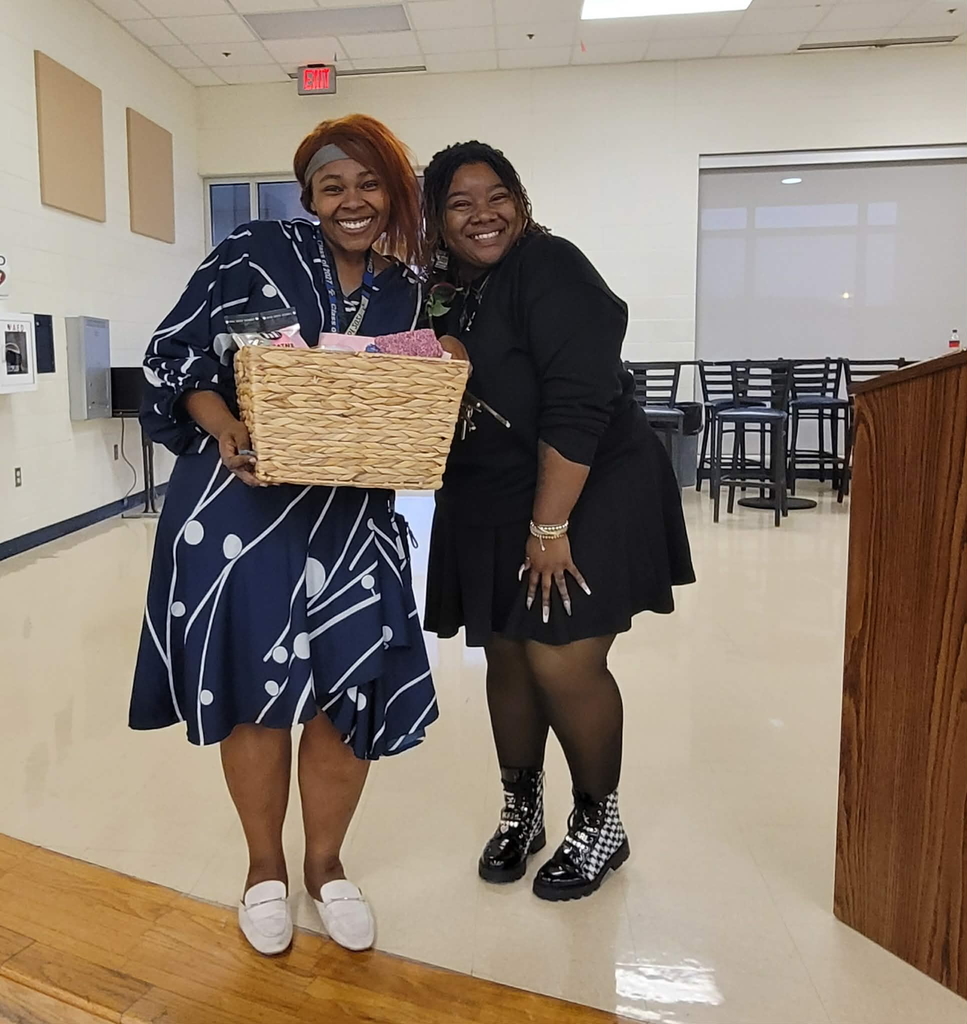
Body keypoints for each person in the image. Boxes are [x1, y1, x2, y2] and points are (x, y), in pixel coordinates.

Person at [130, 114, 436, 954]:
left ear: (392, 194)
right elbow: (177, 359)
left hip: (350, 518)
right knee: (254, 701)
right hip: (239, 511)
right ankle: (264, 868)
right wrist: (225, 425)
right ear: (308, 197)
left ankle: (326, 866)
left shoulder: (408, 290)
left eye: (369, 183)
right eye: (332, 185)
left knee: (347, 698)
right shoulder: (250, 252)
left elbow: (407, 409)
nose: (352, 200)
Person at [421, 141, 695, 902]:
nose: (483, 214)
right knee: (506, 654)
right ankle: (522, 810)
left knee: (560, 657)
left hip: (591, 479)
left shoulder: (552, 267)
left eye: (496, 194)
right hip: (489, 490)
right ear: (437, 222)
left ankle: (599, 822)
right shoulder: (450, 292)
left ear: (522, 199)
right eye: (459, 203)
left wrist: (549, 529)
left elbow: (578, 406)